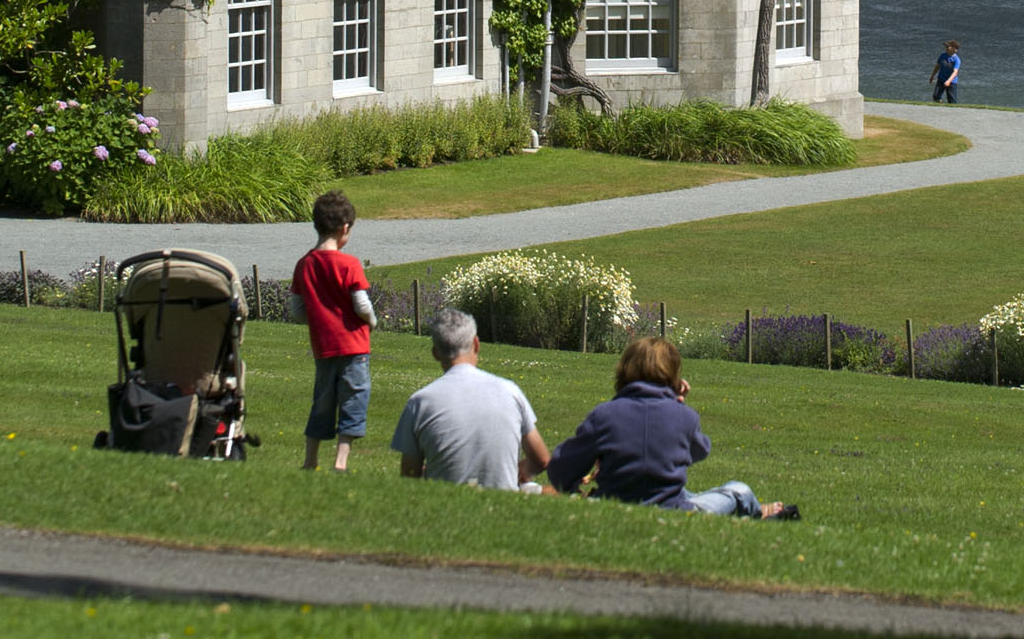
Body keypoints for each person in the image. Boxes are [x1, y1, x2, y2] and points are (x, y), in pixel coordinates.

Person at [542, 334, 799, 519]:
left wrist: (578, 481)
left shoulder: (604, 415)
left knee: (685, 491)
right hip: (672, 513)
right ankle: (758, 514)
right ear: (674, 377)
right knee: (738, 490)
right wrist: (680, 406)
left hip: (612, 506)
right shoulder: (683, 417)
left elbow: (560, 471)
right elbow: (698, 452)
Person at [391, 309, 553, 489]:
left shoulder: (420, 402)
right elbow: (542, 459)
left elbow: (409, 474)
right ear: (476, 344)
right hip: (503, 503)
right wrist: (521, 472)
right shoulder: (510, 391)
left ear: (436, 353)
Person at [290, 188, 373, 472]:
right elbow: (361, 304)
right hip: (354, 347)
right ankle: (340, 461)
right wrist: (371, 322)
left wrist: (318, 318)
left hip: (323, 348)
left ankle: (310, 460)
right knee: (353, 399)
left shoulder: (304, 264)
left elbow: (297, 311)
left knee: (322, 402)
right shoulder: (350, 264)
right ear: (344, 228)